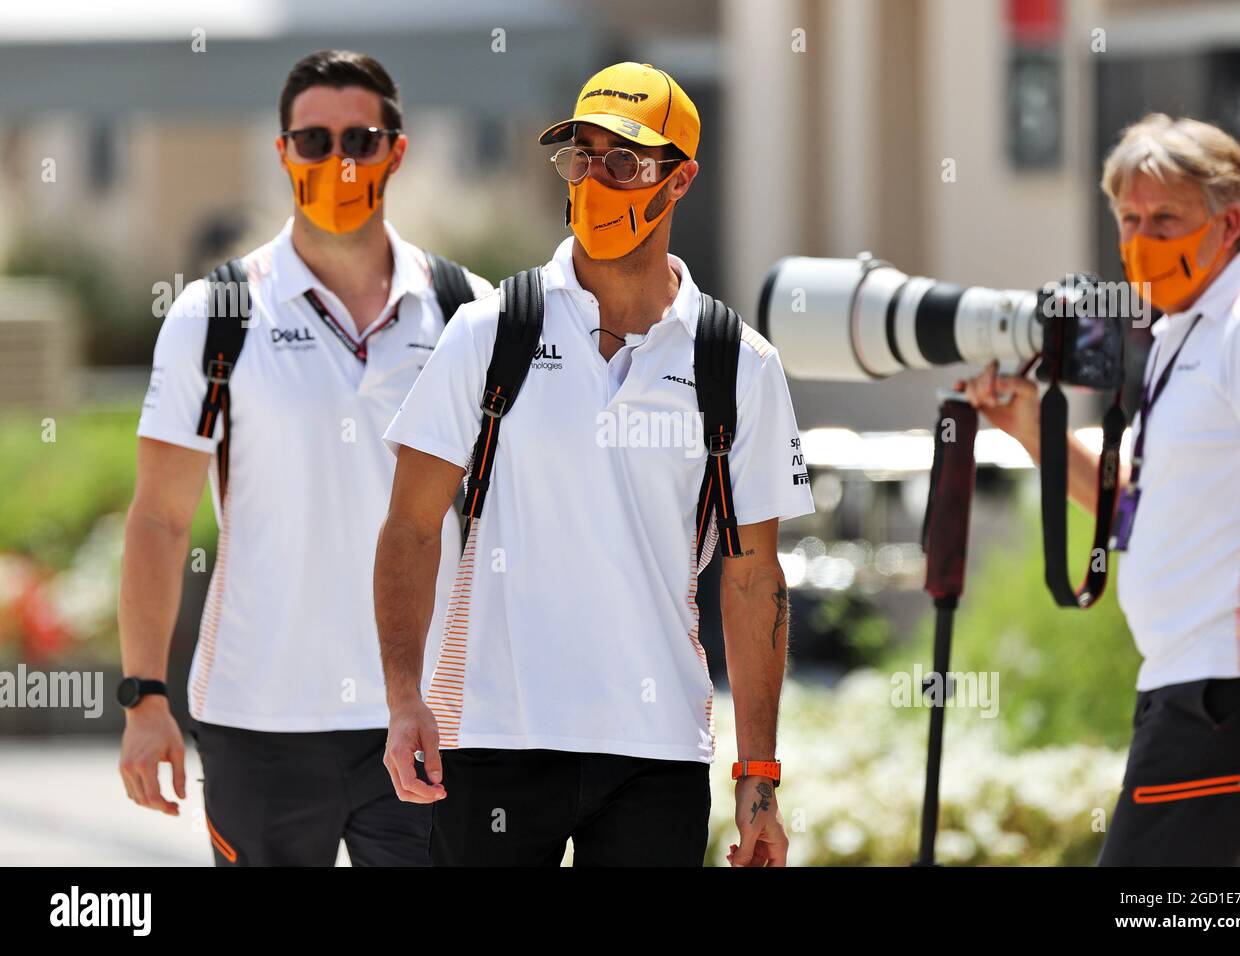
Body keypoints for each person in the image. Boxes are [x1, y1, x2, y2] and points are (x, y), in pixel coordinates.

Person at [375, 62, 815, 866]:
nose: (595, 181)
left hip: (657, 754)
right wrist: (404, 698)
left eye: (624, 162)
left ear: (678, 180)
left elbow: (754, 579)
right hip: (495, 737)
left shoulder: (737, 363)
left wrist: (758, 780)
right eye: (582, 157)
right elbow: (409, 528)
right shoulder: (488, 332)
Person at [116, 49, 491, 866]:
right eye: (314, 142)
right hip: (261, 722)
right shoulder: (215, 315)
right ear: (283, 153)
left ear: (397, 149)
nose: (338, 161)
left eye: (359, 140)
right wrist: (144, 696)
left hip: (429, 717)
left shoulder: (470, 314)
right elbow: (158, 516)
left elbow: (513, 521)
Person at [963, 114, 1240, 865]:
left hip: (1227, 694)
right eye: (1131, 219)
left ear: (1229, 222)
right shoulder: (1187, 328)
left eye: (1167, 218)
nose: (1144, 238)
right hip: (1195, 688)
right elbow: (1138, 509)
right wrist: (1031, 430)